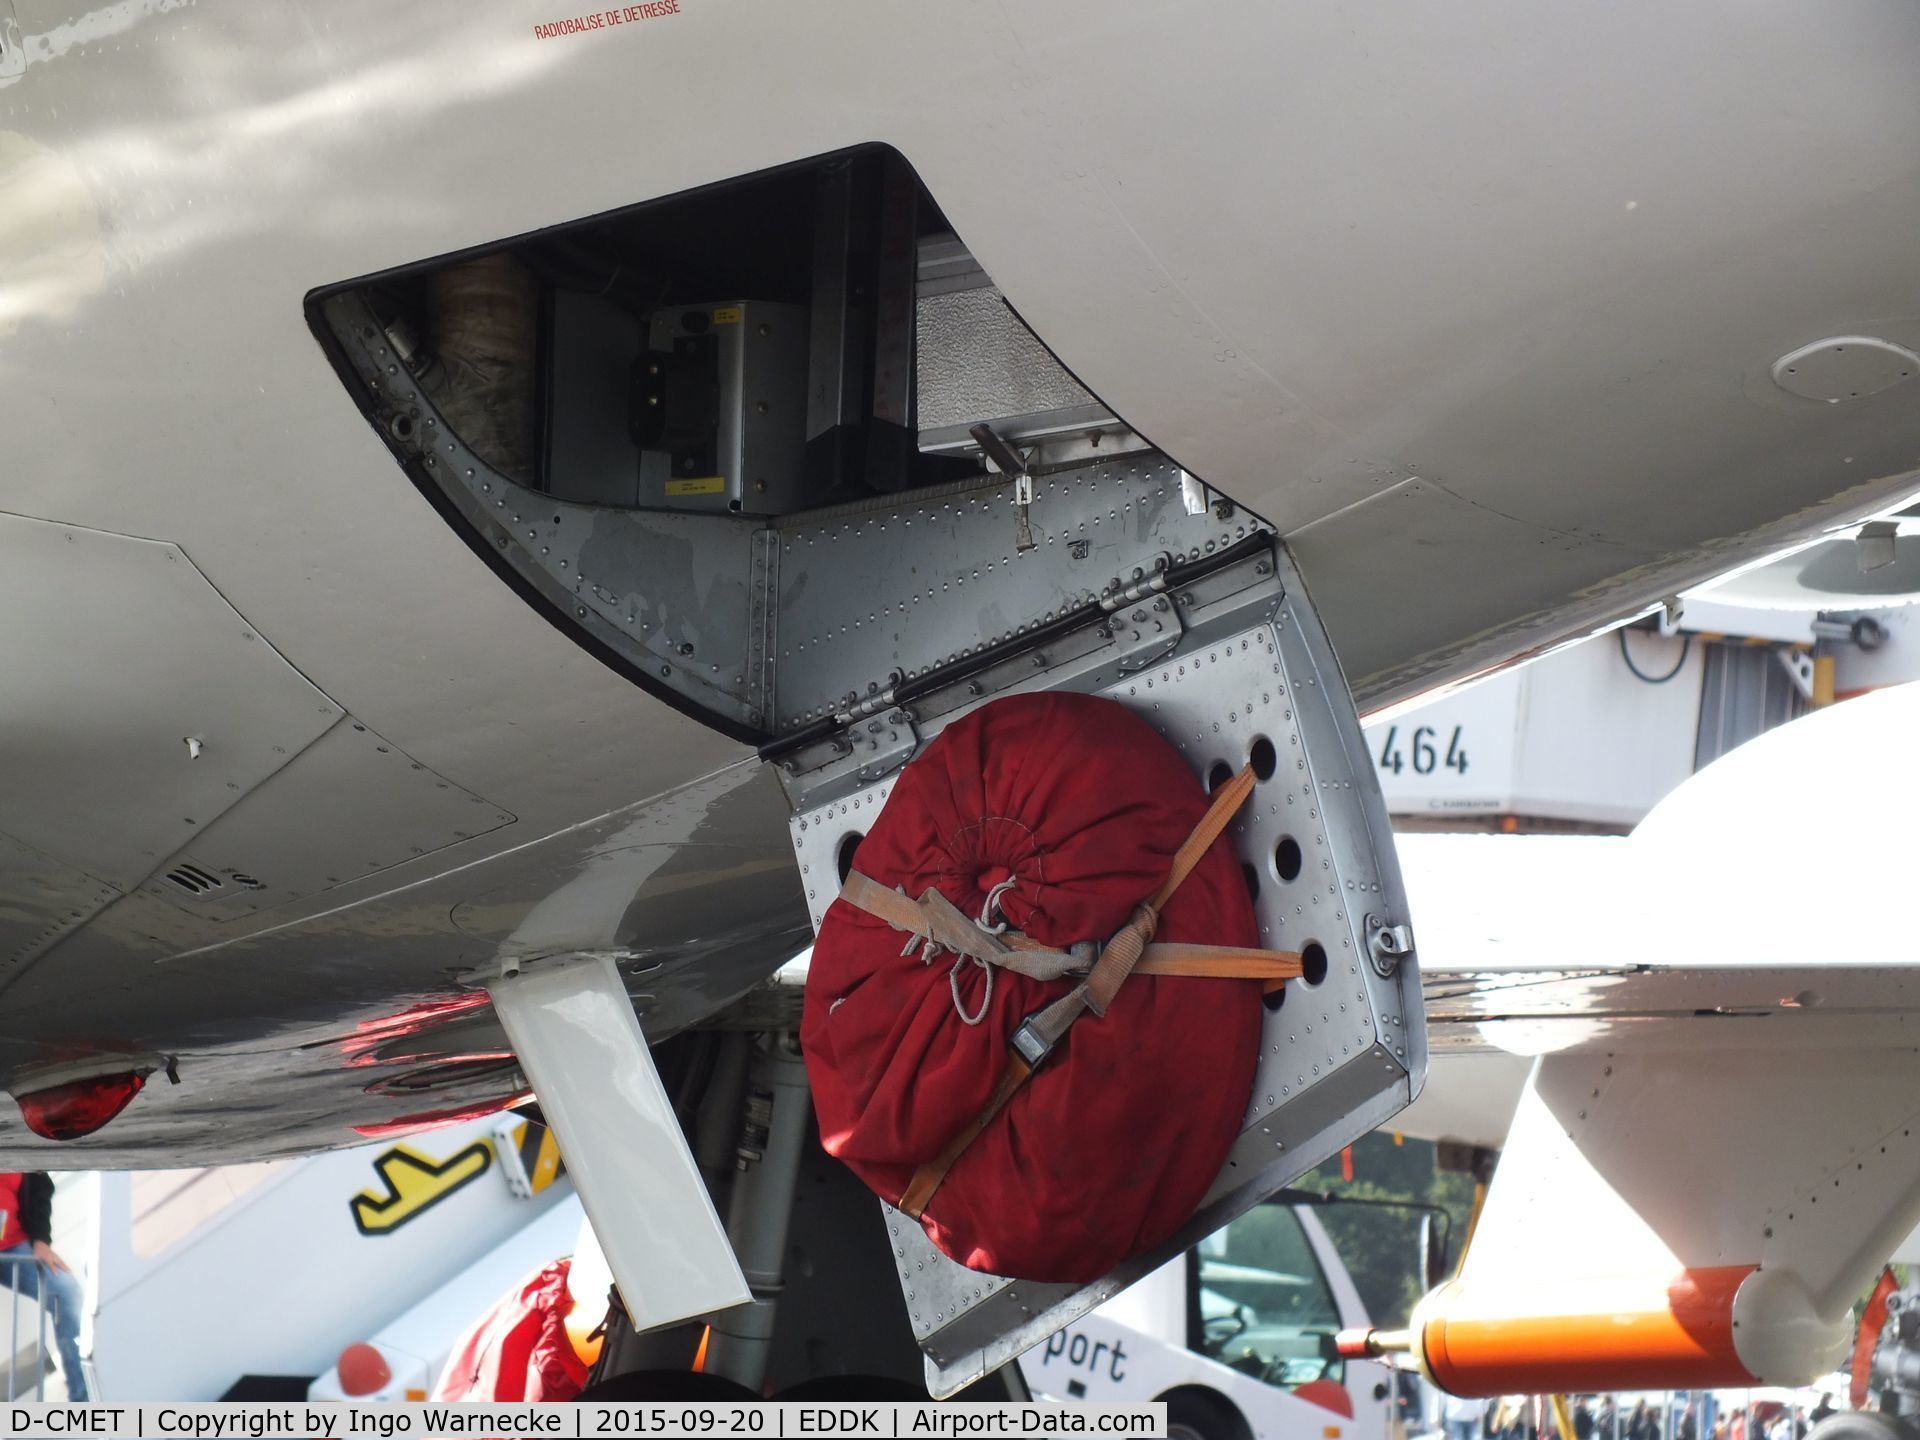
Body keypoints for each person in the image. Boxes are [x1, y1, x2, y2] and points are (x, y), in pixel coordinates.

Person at [0, 1172, 89, 1400]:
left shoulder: (18, 1141)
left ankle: (84, 1397)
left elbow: (39, 1183)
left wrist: (41, 1240)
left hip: (15, 1245)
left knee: (65, 1292)